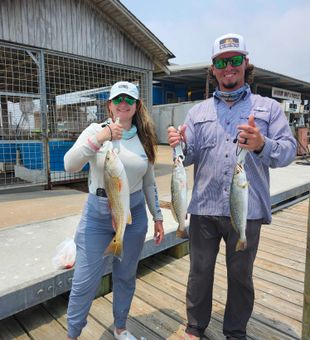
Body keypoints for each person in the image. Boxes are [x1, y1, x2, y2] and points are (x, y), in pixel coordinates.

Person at [167, 33, 297, 340]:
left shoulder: (268, 108)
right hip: (203, 209)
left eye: (235, 60)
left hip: (247, 212)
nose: (229, 67)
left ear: (246, 64)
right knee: (199, 273)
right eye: (222, 62)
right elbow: (189, 157)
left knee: (241, 277)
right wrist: (180, 145)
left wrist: (262, 143)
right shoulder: (198, 113)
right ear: (213, 69)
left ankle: (235, 331)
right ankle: (195, 327)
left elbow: (289, 151)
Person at [64, 81, 164, 340]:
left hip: (133, 215)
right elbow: (69, 164)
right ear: (109, 105)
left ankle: (120, 327)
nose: (123, 104)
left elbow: (149, 182)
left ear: (136, 105)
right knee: (84, 281)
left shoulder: (145, 139)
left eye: (129, 100)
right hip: (97, 215)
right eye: (117, 99)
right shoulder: (95, 130)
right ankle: (72, 334)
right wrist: (101, 138)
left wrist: (158, 217)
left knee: (125, 276)